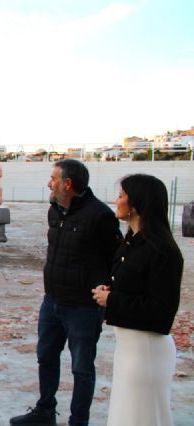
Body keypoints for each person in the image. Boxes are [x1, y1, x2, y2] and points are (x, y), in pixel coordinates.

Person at [10, 159, 122, 426]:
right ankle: (45, 411)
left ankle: (78, 422)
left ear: (68, 184)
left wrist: (106, 293)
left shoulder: (99, 216)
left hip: (83, 307)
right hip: (52, 302)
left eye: (53, 178)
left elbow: (116, 259)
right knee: (46, 357)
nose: (49, 183)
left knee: (81, 368)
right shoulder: (55, 210)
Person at [92, 174, 183, 426]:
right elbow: (135, 287)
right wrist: (111, 289)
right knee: (126, 415)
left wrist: (112, 300)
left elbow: (162, 311)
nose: (115, 200)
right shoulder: (131, 243)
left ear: (136, 204)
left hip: (147, 351)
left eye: (121, 196)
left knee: (141, 417)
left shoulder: (162, 250)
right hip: (129, 349)